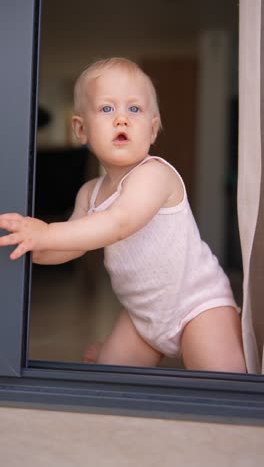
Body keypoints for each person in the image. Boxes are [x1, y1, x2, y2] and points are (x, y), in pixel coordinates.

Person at [0, 57, 246, 373]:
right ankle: (114, 355)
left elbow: (118, 224)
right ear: (81, 129)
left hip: (197, 305)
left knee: (223, 383)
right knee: (109, 376)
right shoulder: (89, 192)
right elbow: (74, 243)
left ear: (153, 129)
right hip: (141, 314)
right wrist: (31, 247)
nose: (121, 120)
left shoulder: (154, 175)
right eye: (106, 109)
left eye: (134, 109)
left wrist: (47, 231)